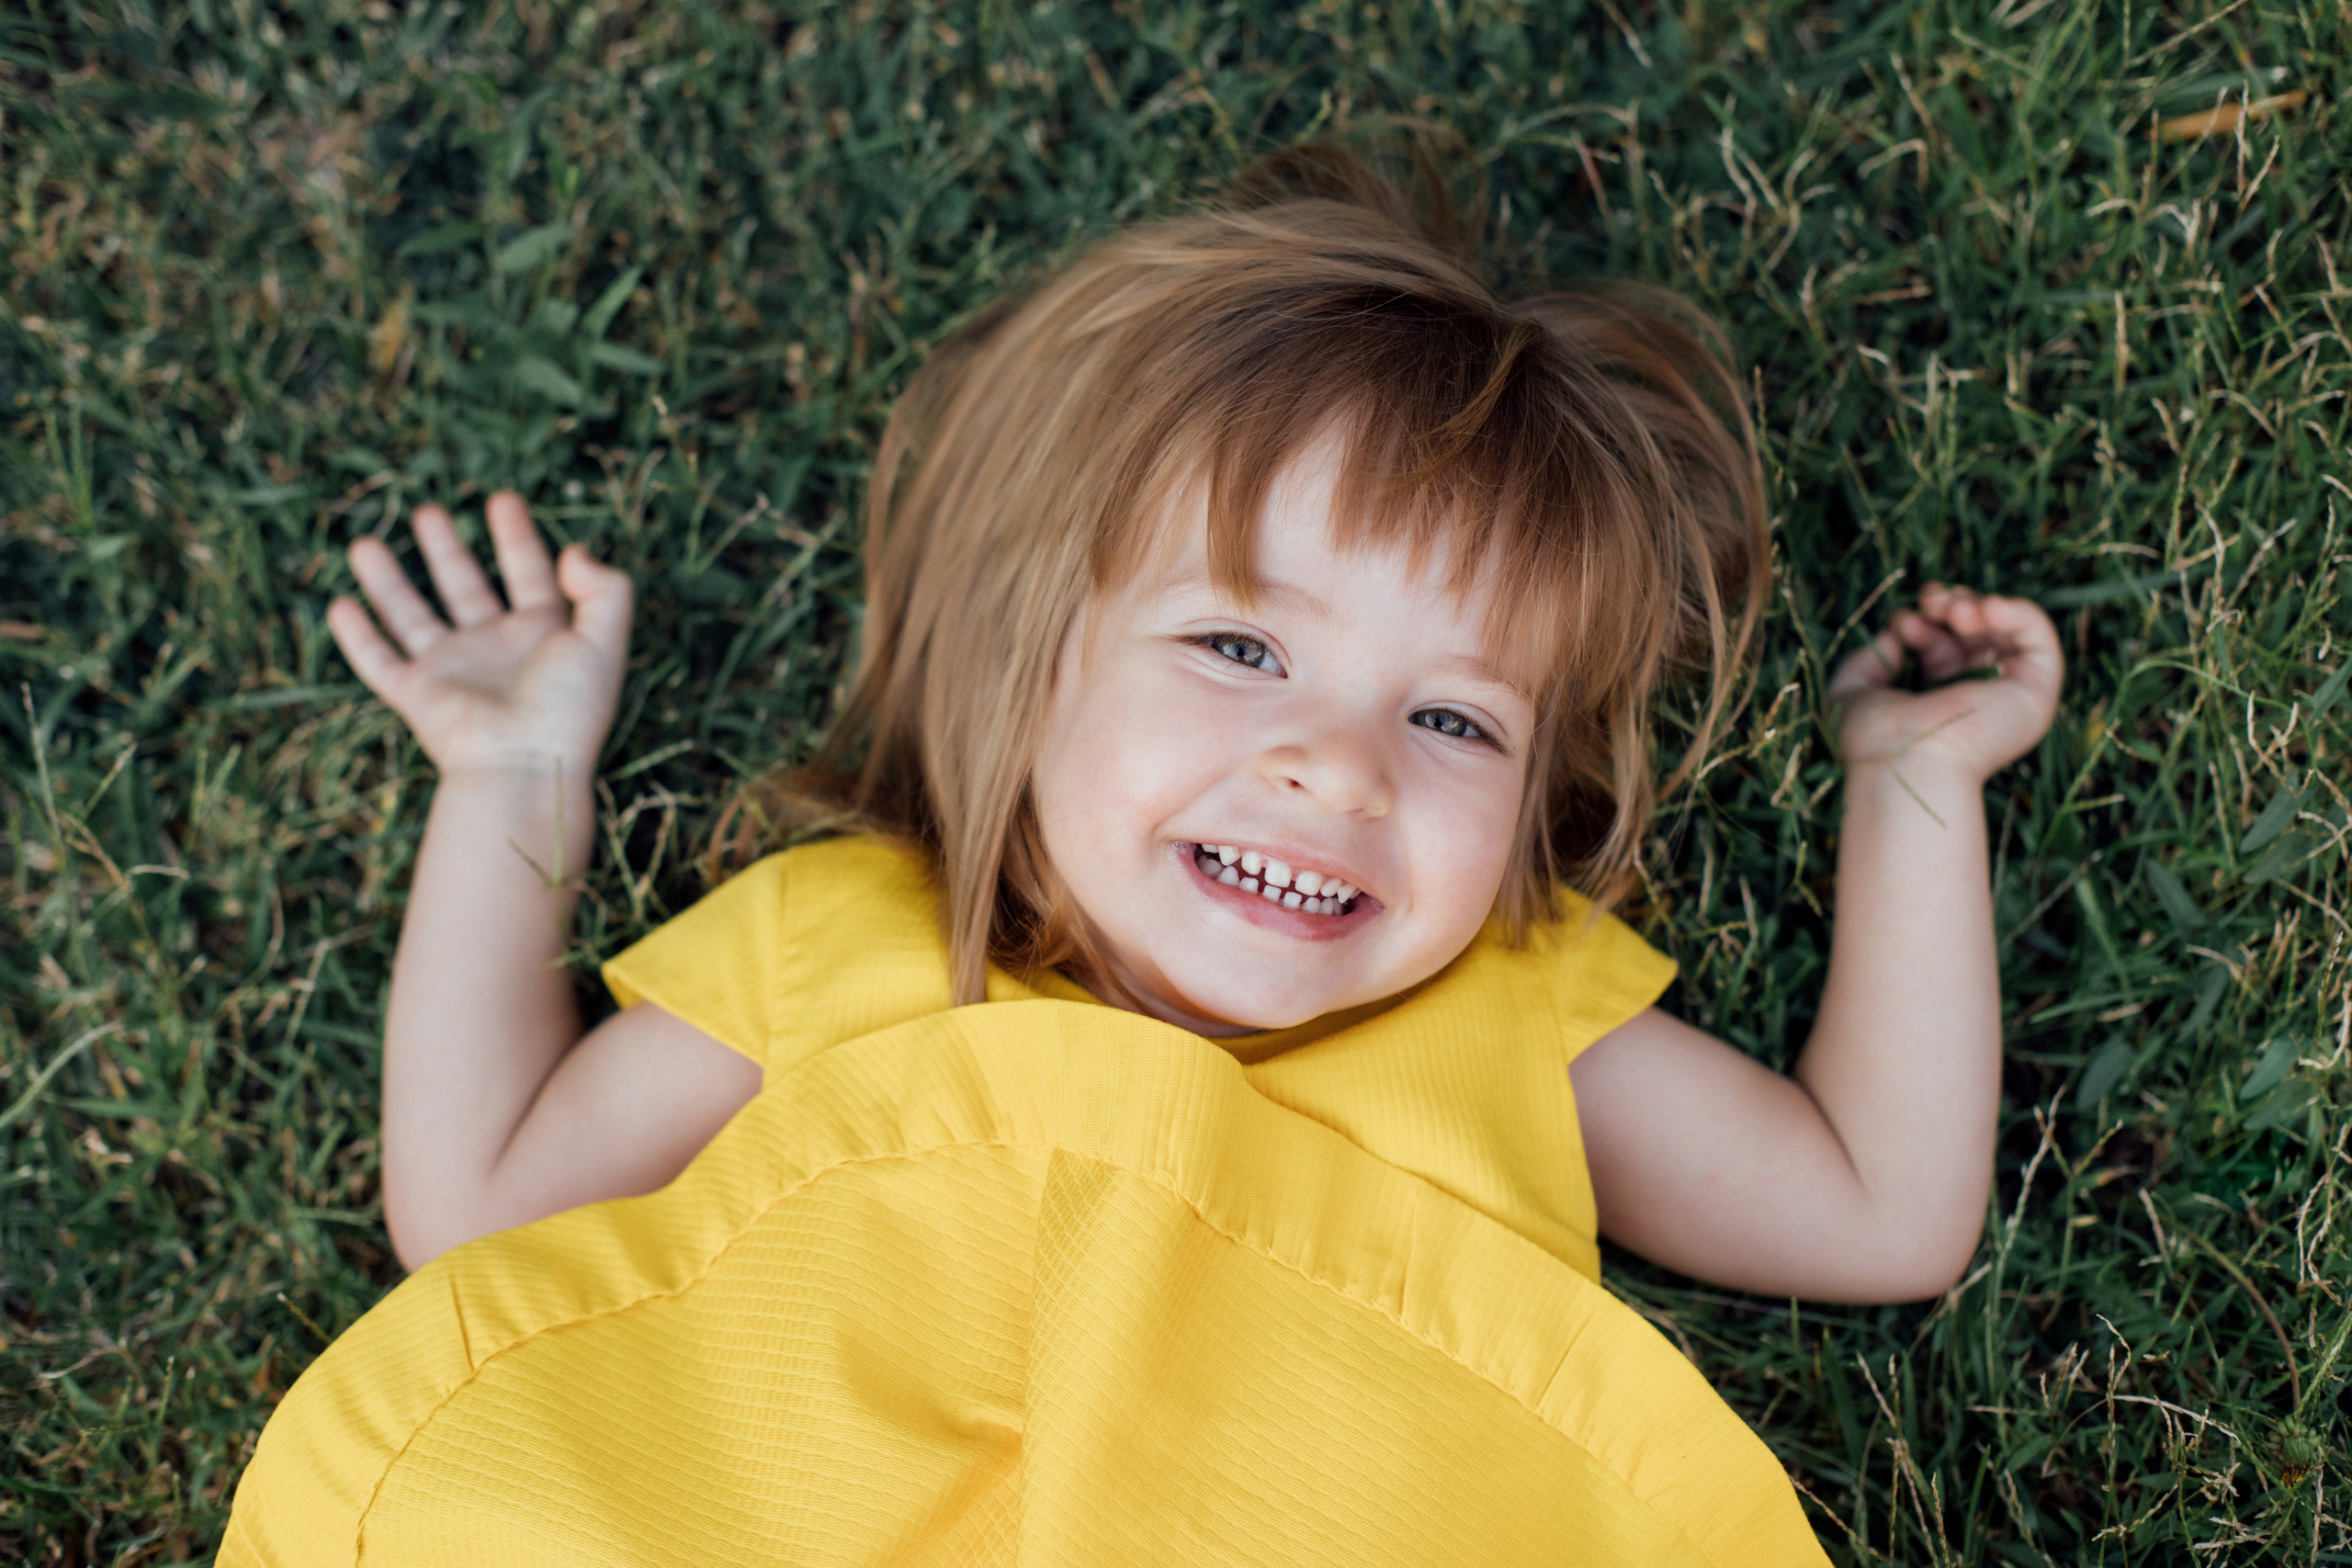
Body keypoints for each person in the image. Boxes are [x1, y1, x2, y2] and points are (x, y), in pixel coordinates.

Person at [220, 149, 2062, 1565]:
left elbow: (1875, 1210)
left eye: (1453, 721)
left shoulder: (1508, 1002)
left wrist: (1911, 787)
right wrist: (516, 771)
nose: (1331, 767)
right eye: (1241, 648)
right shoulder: (855, 936)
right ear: (1033, 659)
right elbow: (476, 1207)